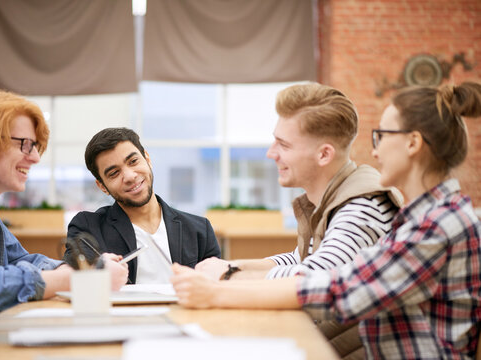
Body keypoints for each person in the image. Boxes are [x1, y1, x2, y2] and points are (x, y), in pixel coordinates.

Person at [171, 81, 481, 359]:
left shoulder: (436, 225)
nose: (374, 152)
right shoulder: (424, 218)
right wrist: (230, 271)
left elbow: (341, 289)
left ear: (413, 143)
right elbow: (332, 272)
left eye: (382, 136)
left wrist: (220, 288)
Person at [196, 83, 402, 358]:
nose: (271, 153)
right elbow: (300, 259)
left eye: (284, 144)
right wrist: (230, 265)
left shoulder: (362, 207)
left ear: (324, 154)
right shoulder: (338, 196)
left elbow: (313, 279)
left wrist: (227, 276)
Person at [0, 88, 128, 340]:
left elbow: (21, 260)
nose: (36, 158)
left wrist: (87, 268)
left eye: (36, 147)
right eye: (25, 145)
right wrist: (74, 279)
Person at [64, 127, 221, 284]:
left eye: (133, 162)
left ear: (147, 158)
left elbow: (215, 288)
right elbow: (76, 280)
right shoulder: (88, 228)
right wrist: (96, 272)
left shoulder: (199, 230)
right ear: (102, 186)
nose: (130, 177)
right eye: (114, 173)